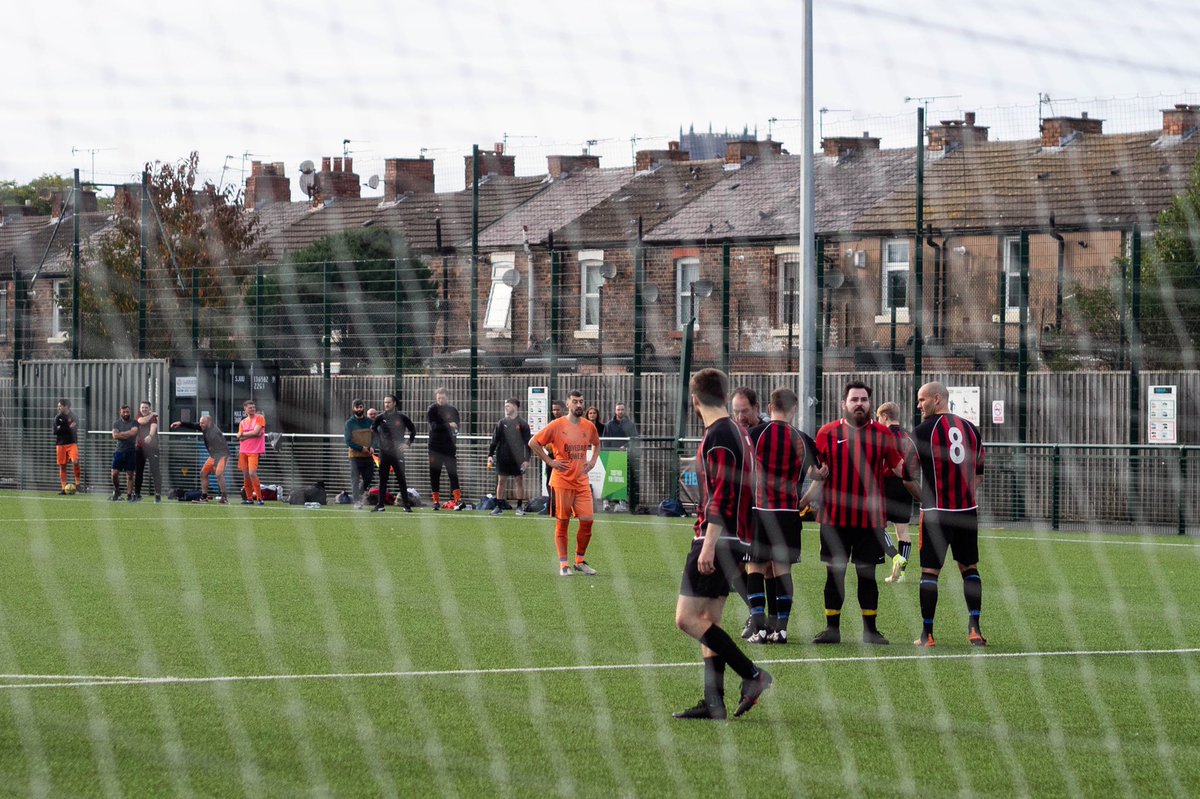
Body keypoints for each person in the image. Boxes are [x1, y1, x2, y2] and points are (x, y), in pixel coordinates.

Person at [672, 367, 771, 721]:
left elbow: (722, 494)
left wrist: (709, 543)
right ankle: (714, 702)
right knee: (708, 621)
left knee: (686, 619)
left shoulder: (719, 434)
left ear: (694, 399)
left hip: (719, 537)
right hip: (735, 537)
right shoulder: (739, 432)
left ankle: (753, 675)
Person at [809, 381, 914, 646]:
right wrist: (813, 474)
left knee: (867, 575)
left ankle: (871, 631)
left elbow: (899, 467)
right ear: (844, 404)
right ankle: (832, 629)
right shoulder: (826, 433)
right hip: (834, 519)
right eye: (854, 399)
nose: (859, 403)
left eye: (864, 399)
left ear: (869, 404)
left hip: (869, 520)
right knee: (835, 574)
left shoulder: (882, 434)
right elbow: (814, 470)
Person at [744, 387, 825, 645]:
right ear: (794, 409)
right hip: (789, 514)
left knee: (755, 568)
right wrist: (804, 499)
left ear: (769, 408)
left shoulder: (755, 434)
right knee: (782, 570)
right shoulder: (801, 438)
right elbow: (820, 473)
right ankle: (781, 630)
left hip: (760, 511)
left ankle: (760, 630)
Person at [910, 381, 987, 648]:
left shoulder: (921, 431)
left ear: (937, 399)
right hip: (966, 511)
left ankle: (927, 635)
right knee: (970, 569)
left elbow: (906, 471)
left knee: (930, 572)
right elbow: (978, 476)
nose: (919, 405)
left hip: (935, 514)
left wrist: (923, 495)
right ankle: (975, 629)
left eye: (922, 400)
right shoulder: (971, 429)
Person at [529, 389, 601, 576]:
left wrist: (593, 461)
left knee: (587, 520)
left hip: (582, 482)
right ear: (567, 404)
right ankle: (564, 564)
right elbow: (533, 443)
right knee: (563, 522)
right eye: (575, 401)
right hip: (561, 482)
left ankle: (580, 560)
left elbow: (597, 443)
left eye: (581, 401)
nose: (579, 405)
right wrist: (550, 461)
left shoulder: (588, 426)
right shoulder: (556, 425)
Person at [876, 401, 919, 583]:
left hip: (885, 484)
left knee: (876, 526)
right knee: (903, 531)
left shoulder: (881, 435)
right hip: (906, 485)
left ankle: (894, 556)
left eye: (878, 417)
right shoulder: (909, 436)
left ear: (885, 416)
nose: (877, 421)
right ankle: (899, 574)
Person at [170, 414, 230, 503]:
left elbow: (220, 449)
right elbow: (193, 425)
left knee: (218, 474)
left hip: (222, 455)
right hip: (214, 455)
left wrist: (215, 464)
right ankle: (204, 497)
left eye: (202, 423)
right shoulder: (204, 427)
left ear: (209, 423)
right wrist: (181, 423)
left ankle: (224, 497)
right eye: (200, 422)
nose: (200, 424)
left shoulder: (214, 433)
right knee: (203, 473)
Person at [488, 398, 532, 516]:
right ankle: (498, 506)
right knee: (501, 481)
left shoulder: (523, 424)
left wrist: (526, 460)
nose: (506, 408)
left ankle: (519, 507)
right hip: (502, 457)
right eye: (505, 406)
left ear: (516, 407)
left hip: (517, 459)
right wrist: (490, 455)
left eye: (508, 406)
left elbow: (528, 444)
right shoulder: (501, 423)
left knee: (519, 481)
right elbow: (494, 441)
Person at [372, 394, 416, 513]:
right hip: (384, 453)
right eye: (385, 402)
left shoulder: (401, 417)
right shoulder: (380, 417)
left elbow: (413, 429)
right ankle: (380, 505)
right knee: (383, 479)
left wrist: (407, 444)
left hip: (398, 454)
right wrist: (379, 441)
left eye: (389, 402)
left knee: (401, 479)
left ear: (394, 403)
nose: (386, 404)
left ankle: (406, 505)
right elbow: (373, 428)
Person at [427, 387, 462, 510]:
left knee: (453, 473)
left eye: (442, 398)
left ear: (447, 397)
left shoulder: (452, 410)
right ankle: (436, 502)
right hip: (435, 447)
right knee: (435, 473)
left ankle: (457, 500)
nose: (440, 400)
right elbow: (434, 426)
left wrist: (454, 429)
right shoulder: (432, 409)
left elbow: (457, 425)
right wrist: (448, 425)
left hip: (449, 447)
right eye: (438, 398)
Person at [601, 402, 638, 512]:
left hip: (625, 456)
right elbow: (604, 441)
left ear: (625, 410)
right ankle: (607, 501)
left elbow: (634, 439)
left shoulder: (630, 425)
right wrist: (607, 452)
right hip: (612, 456)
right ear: (615, 410)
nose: (620, 411)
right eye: (618, 409)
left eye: (622, 409)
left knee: (623, 479)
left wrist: (625, 446)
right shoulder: (609, 425)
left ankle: (621, 502)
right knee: (610, 478)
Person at [344, 398, 375, 509]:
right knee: (355, 479)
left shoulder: (369, 422)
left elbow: (375, 437)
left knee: (368, 478)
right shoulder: (349, 424)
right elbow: (348, 441)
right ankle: (356, 501)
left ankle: (358, 495)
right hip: (355, 456)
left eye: (361, 407)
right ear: (353, 409)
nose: (359, 409)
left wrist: (372, 447)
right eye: (357, 407)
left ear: (363, 408)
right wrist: (361, 448)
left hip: (368, 456)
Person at [237, 399, 267, 505]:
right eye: (250, 408)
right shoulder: (242, 422)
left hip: (254, 451)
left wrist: (244, 435)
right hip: (243, 450)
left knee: (252, 473)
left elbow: (256, 432)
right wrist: (251, 434)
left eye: (253, 407)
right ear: (245, 409)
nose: (252, 409)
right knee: (245, 475)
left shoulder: (260, 418)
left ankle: (259, 498)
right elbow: (239, 437)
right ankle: (249, 498)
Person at [133, 400, 163, 503]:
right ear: (140, 409)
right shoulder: (139, 415)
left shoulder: (153, 417)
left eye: (146, 407)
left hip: (153, 448)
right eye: (142, 407)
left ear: (149, 408)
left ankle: (158, 495)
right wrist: (152, 414)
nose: (144, 409)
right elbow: (142, 421)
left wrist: (150, 436)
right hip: (140, 447)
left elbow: (153, 427)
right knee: (139, 472)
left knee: (155, 472)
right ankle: (137, 494)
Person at [53, 398, 82, 494]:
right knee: (62, 466)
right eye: (58, 406)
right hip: (60, 444)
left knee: (75, 461)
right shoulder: (57, 418)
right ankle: (63, 488)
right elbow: (55, 431)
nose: (58, 407)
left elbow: (73, 429)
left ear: (66, 406)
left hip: (72, 443)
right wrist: (67, 427)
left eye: (60, 406)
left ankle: (77, 484)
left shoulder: (74, 416)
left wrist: (62, 427)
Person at [543, 400, 567, 516]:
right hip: (552, 457)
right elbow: (544, 440)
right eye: (554, 409)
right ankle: (552, 506)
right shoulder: (551, 424)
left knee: (564, 484)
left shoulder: (567, 423)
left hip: (564, 457)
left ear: (563, 409)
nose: (555, 412)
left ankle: (564, 507)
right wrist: (547, 445)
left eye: (557, 409)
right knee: (549, 483)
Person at [110, 404, 138, 500]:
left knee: (130, 475)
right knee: (114, 473)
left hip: (131, 452)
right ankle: (117, 489)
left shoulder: (134, 422)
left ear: (130, 412)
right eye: (124, 412)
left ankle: (129, 495)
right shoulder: (116, 423)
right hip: (119, 451)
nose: (126, 413)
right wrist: (127, 434)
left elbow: (133, 432)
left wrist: (120, 434)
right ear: (120, 412)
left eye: (127, 412)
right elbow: (115, 436)